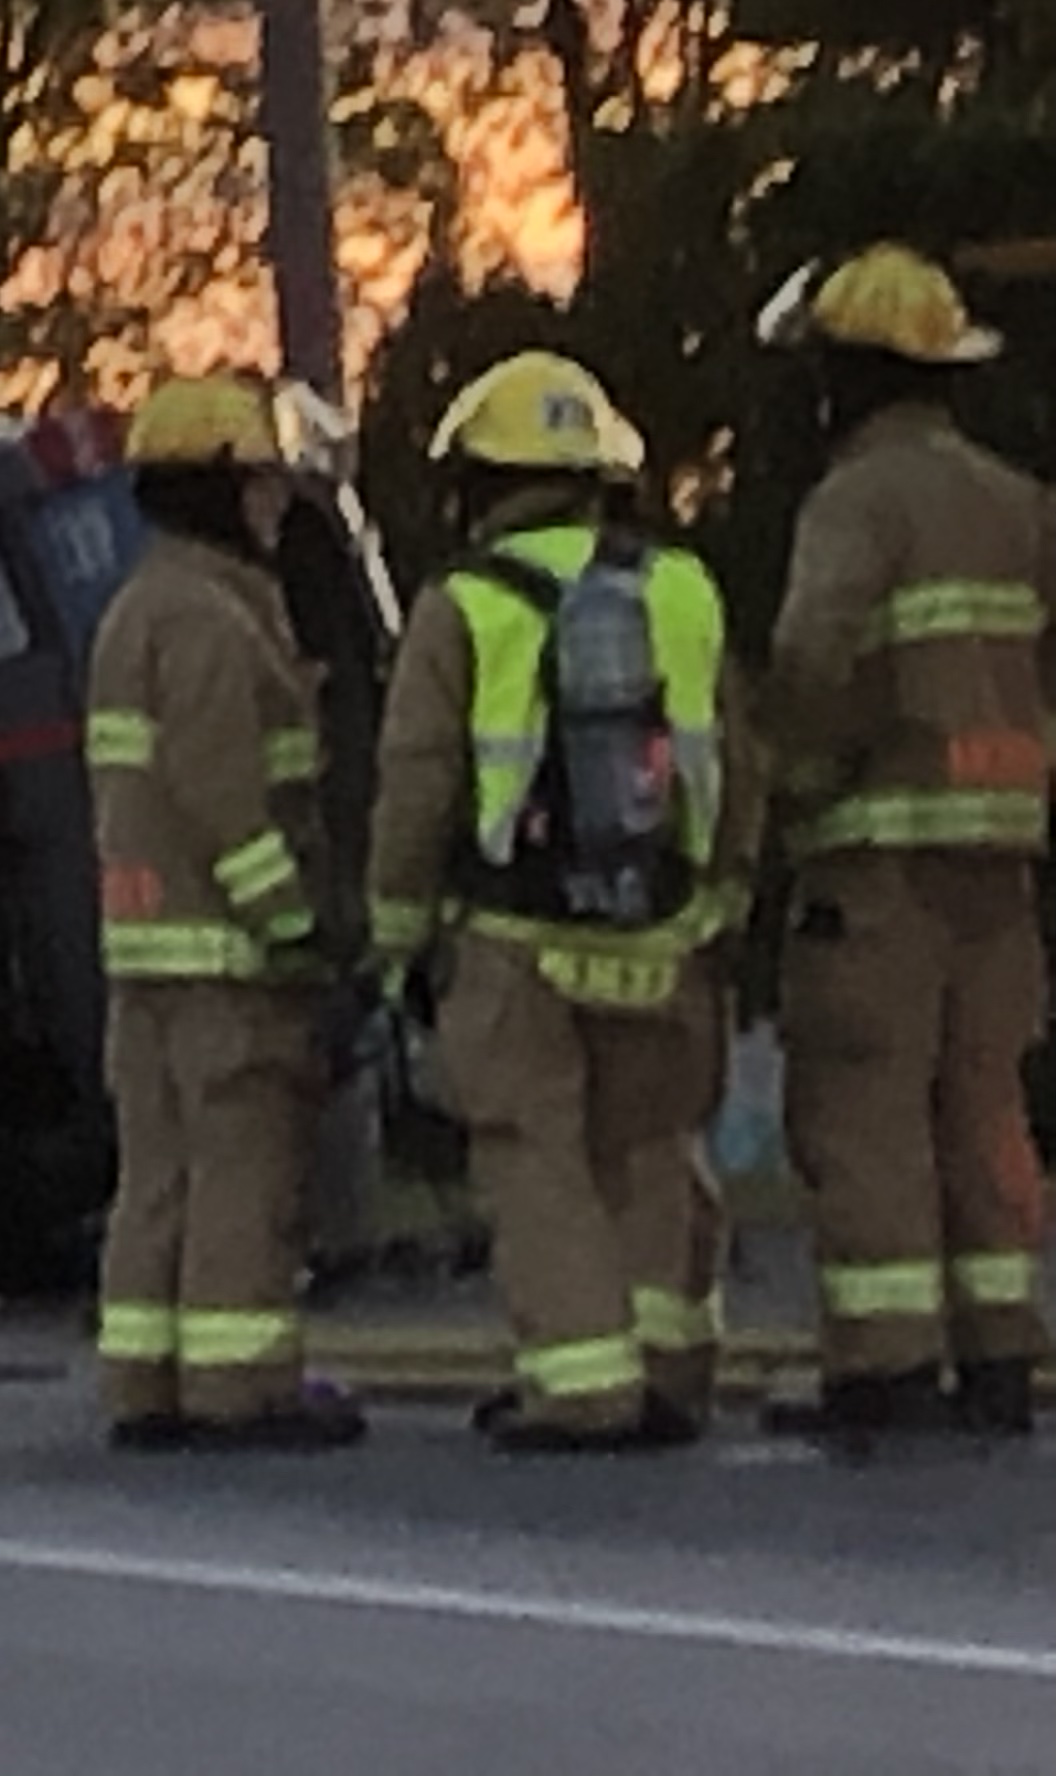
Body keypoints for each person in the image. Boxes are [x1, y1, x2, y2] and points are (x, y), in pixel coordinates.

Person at [367, 350, 752, 1453]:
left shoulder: (467, 605)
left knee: (535, 1153)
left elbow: (419, 785)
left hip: (515, 939)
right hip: (660, 932)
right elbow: (740, 755)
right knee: (648, 1146)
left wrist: (395, 941)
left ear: (481, 485)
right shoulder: (683, 589)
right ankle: (671, 1369)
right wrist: (721, 896)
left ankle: (583, 1385)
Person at [755, 244, 1056, 1441]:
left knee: (864, 1109)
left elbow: (814, 659)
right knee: (983, 1105)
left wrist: (798, 787)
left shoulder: (857, 501)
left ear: (844, 376)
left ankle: (883, 1366)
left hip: (875, 867)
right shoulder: (1021, 502)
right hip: (1003, 867)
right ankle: (997, 1352)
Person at [85, 373, 362, 1452]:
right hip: (226, 964)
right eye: (259, 486)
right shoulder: (206, 620)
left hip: (150, 964)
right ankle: (239, 1390)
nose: (276, 506)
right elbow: (223, 795)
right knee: (242, 1175)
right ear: (214, 493)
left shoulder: (139, 609)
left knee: (159, 1179)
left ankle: (147, 1382)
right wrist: (294, 924)